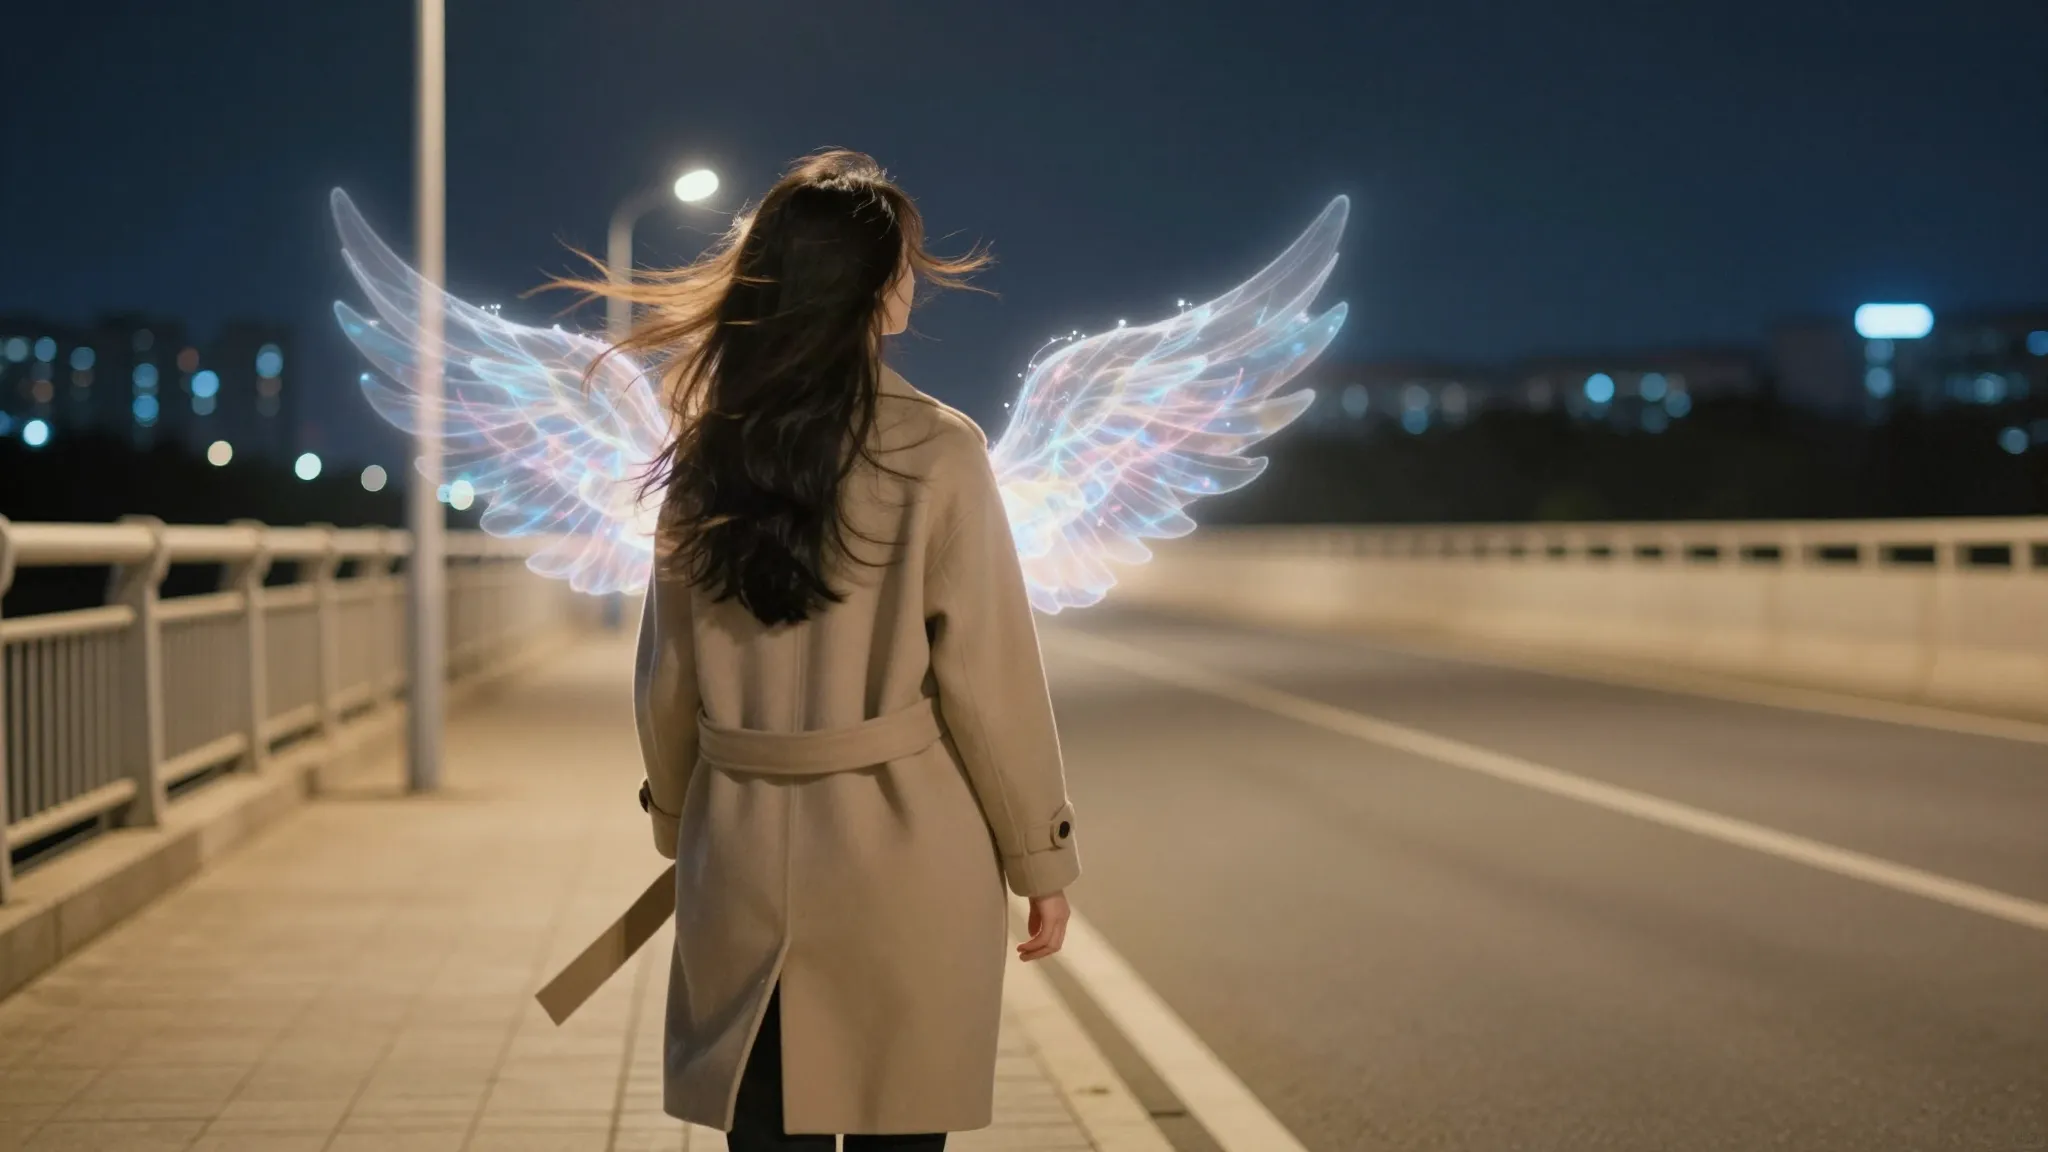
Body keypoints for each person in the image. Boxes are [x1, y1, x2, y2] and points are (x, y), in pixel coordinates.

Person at [571, 150, 1080, 1150]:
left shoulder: (710, 454)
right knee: (900, 1122)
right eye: (899, 268)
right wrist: (1038, 858)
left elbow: (666, 676)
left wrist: (680, 823)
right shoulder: (938, 449)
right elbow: (988, 678)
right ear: (868, 290)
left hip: (744, 844)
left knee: (763, 1127)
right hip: (907, 853)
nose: (907, 286)